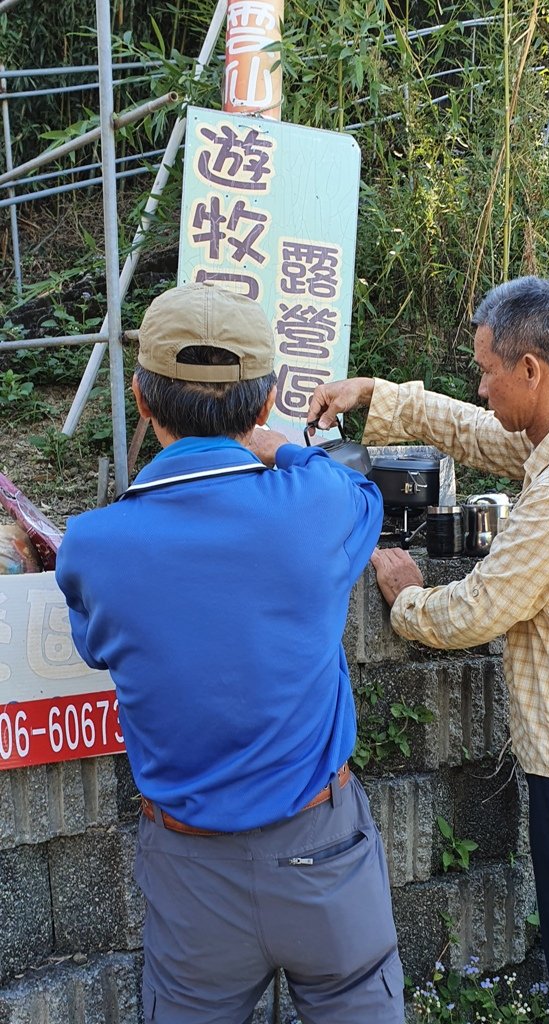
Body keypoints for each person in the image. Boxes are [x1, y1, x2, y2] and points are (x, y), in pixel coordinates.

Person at [307, 275, 549, 1024]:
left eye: (486, 370)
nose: (481, 387)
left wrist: (406, 595)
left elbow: (480, 608)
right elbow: (478, 433)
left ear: (530, 371)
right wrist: (377, 395)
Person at [55, 282, 404, 1024]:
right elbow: (355, 489)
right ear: (267, 396)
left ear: (142, 400)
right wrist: (275, 446)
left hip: (189, 873)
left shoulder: (92, 545)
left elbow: (95, 645)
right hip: (322, 854)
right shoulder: (316, 510)